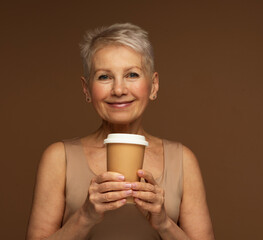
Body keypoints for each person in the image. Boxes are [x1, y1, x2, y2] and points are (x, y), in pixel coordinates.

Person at [26, 23, 215, 239]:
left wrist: (164, 223)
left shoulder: (183, 160)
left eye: (132, 75)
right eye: (104, 77)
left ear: (153, 86)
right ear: (86, 89)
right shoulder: (58, 158)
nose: (118, 90)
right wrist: (85, 216)